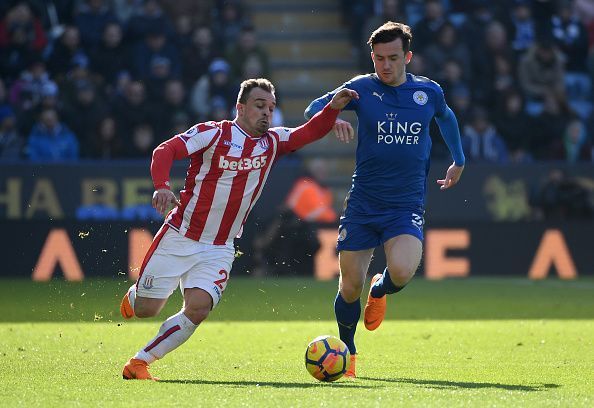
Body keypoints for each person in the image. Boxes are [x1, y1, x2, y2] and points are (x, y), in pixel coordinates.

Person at [119, 78, 358, 380]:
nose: (266, 114)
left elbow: (307, 132)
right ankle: (135, 296)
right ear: (240, 108)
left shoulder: (272, 142)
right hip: (181, 235)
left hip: (220, 246)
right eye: (260, 106)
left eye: (271, 108)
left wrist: (332, 109)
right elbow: (165, 151)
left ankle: (140, 362)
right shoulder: (213, 133)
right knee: (146, 309)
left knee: (198, 309)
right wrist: (162, 187)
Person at [304, 21, 465, 378]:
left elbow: (447, 117)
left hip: (405, 205)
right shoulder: (361, 88)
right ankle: (349, 352)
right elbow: (312, 108)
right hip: (362, 204)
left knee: (404, 271)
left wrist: (459, 159)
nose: (385, 65)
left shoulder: (428, 92)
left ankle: (382, 288)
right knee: (349, 286)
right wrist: (332, 119)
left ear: (407, 56)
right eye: (378, 58)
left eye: (393, 58)